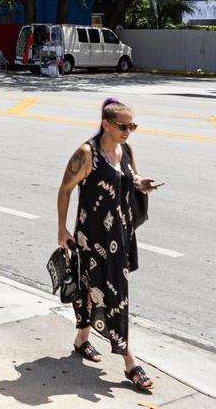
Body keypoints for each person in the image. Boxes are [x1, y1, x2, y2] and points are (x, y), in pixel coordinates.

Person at [56, 98, 161, 392]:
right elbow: (65, 188)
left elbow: (130, 177)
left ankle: (81, 341)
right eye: (123, 126)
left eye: (132, 126)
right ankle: (130, 363)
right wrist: (61, 230)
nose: (129, 131)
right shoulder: (87, 153)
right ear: (106, 124)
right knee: (110, 294)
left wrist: (141, 183)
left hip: (120, 235)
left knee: (95, 291)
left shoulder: (125, 150)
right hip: (91, 237)